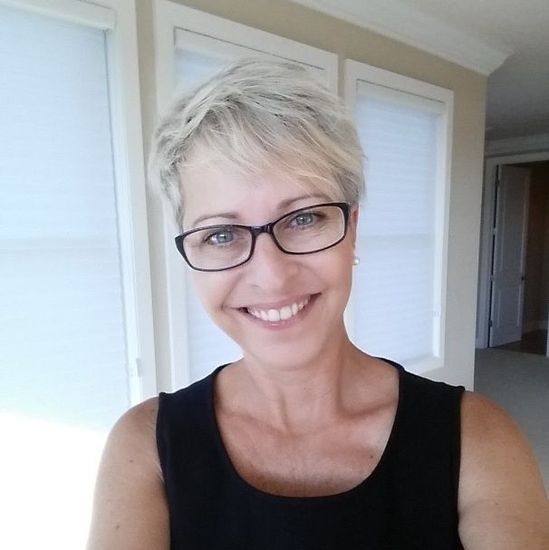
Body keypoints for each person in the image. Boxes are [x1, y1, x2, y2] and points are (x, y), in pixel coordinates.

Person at [87, 59, 549, 549]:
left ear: (352, 230)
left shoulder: (477, 439)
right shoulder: (144, 448)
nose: (271, 275)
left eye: (304, 218)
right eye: (220, 234)